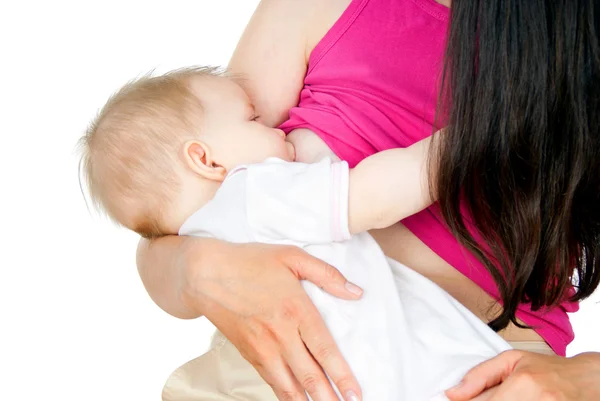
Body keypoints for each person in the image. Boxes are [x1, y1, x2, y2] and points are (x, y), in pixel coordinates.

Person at [136, 0, 600, 400]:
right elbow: (170, 216)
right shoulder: (314, 9)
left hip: (490, 371)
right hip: (302, 353)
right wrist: (199, 270)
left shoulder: (579, 45)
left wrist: (586, 378)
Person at [80, 66, 512, 401]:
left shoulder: (206, 236)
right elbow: (373, 198)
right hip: (404, 378)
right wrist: (471, 137)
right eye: (253, 119)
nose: (274, 125)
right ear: (206, 161)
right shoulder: (254, 192)